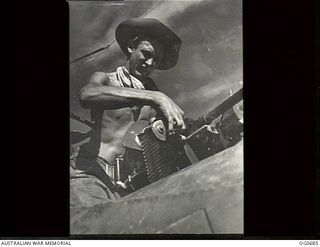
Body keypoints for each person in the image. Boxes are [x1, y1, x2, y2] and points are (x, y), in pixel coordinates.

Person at [70, 18, 186, 207]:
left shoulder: (153, 98)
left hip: (123, 186)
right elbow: (87, 95)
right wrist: (156, 97)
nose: (149, 63)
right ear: (132, 46)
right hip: (89, 172)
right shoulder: (107, 79)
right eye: (146, 54)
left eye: (156, 60)